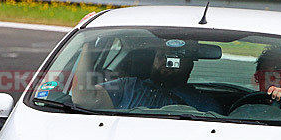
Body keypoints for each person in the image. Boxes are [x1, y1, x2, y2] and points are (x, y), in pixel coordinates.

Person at [72, 40, 222, 113]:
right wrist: (89, 45)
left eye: (175, 58)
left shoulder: (205, 104)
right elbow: (83, 99)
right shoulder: (127, 86)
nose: (166, 62)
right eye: (161, 55)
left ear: (190, 65)